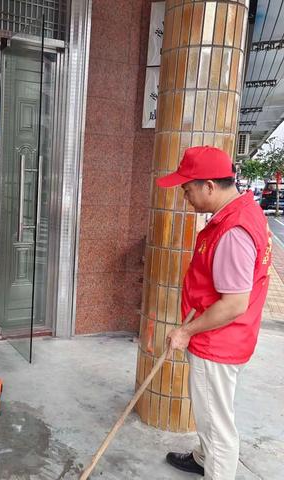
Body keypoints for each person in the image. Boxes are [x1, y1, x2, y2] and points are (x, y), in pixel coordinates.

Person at [156, 146, 271, 479]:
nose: (185, 197)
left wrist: (185, 332)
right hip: (226, 339)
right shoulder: (242, 211)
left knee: (217, 426)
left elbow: (234, 303)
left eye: (188, 189)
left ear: (209, 185)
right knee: (212, 411)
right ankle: (203, 457)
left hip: (217, 343)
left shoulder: (233, 230)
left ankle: (213, 462)